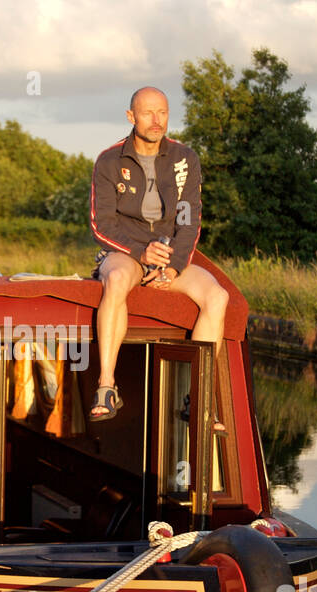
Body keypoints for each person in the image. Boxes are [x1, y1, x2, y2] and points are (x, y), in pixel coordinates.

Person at [88, 86, 228, 420]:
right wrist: (141, 252)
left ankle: (197, 399)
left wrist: (175, 266)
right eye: (148, 113)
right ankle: (107, 386)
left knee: (218, 297)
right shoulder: (109, 160)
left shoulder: (184, 158)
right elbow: (101, 225)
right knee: (119, 277)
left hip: (168, 256)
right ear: (131, 116)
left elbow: (189, 220)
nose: (156, 120)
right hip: (127, 252)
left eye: (162, 112)